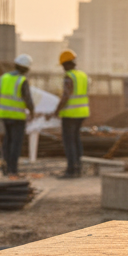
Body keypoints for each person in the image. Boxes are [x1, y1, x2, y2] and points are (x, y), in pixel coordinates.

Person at [0, 54, 35, 177]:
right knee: (16, 143)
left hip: (4, 114)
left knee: (7, 141)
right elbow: (28, 100)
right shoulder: (22, 80)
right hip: (17, 117)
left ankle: (6, 167)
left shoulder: (3, 78)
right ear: (26, 69)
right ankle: (13, 169)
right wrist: (32, 112)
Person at [55, 49, 89, 178]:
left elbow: (66, 96)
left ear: (66, 64)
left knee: (69, 142)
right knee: (76, 140)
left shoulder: (69, 76)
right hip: (82, 112)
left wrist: (57, 110)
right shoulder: (82, 75)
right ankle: (79, 168)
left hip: (70, 114)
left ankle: (71, 170)